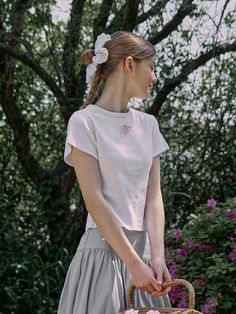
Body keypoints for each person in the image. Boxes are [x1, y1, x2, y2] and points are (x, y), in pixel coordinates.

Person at [58, 31, 172, 314]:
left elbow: (153, 196)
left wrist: (156, 257)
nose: (155, 77)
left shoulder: (149, 125)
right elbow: (94, 200)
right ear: (130, 65)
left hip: (146, 261)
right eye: (152, 67)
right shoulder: (84, 122)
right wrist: (133, 264)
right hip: (103, 257)